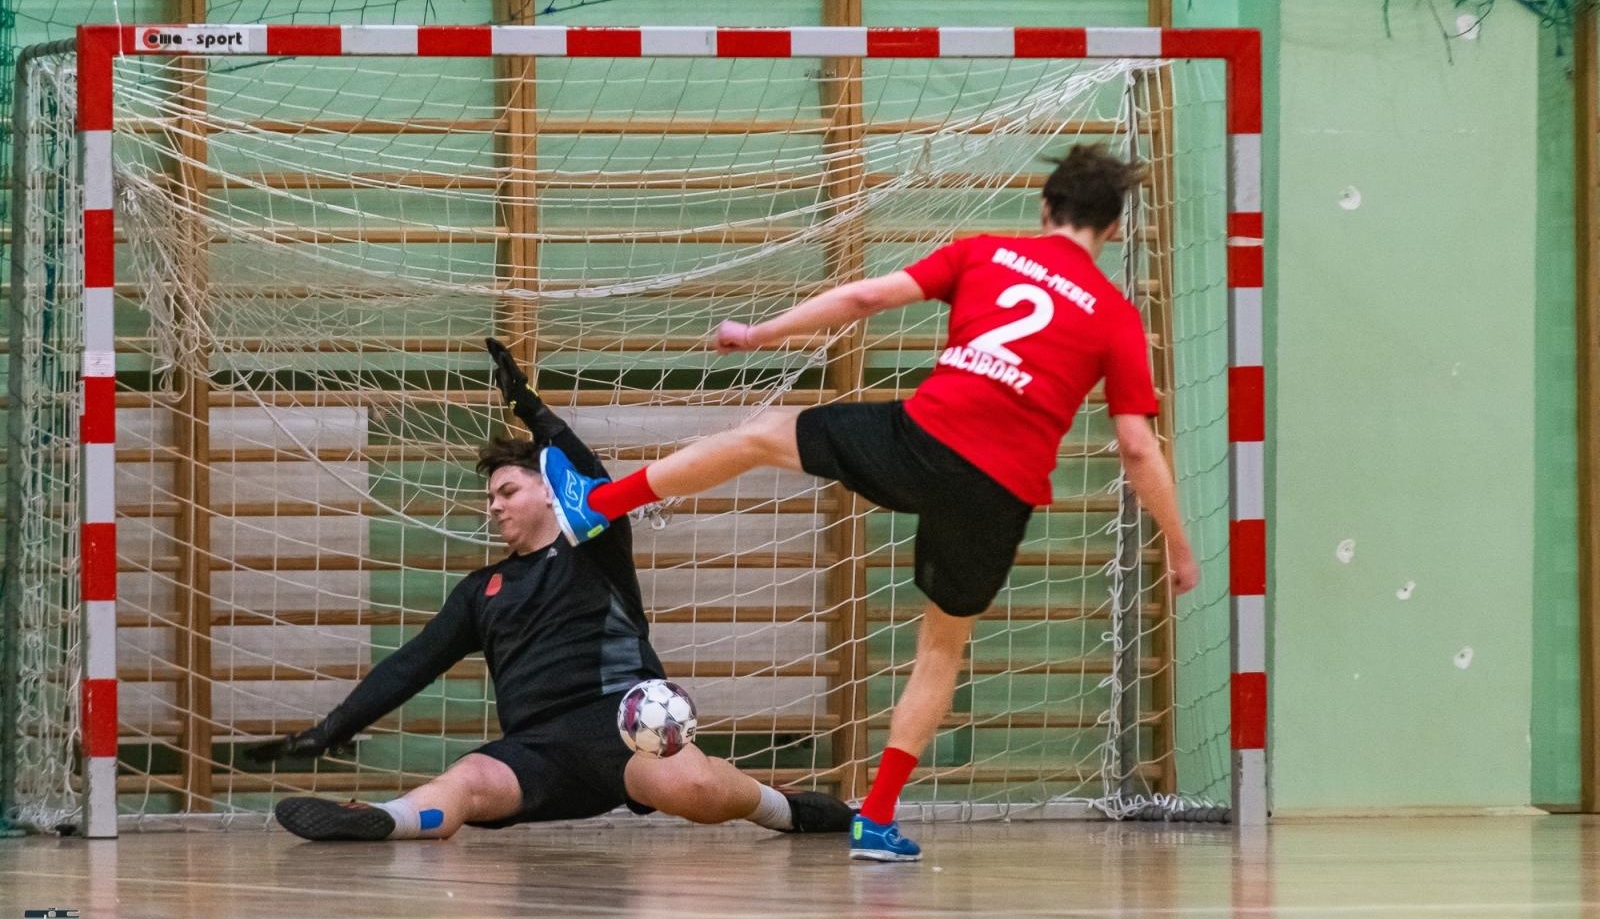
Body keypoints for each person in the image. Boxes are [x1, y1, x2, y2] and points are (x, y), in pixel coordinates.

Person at [539, 145, 1200, 862]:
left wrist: (759, 333)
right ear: (1112, 227)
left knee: (763, 435)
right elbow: (1137, 445)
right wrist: (1178, 542)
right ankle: (877, 818)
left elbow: (861, 299)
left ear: (1046, 207)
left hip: (923, 440)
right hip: (999, 490)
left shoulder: (985, 253)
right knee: (942, 647)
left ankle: (604, 500)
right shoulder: (1113, 315)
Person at [250, 339, 853, 841]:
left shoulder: (595, 542)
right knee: (464, 786)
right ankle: (381, 819)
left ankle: (785, 809)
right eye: (489, 498)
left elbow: (589, 477)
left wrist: (533, 411)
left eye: (507, 491)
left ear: (547, 491)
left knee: (694, 788)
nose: (494, 506)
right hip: (535, 753)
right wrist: (334, 728)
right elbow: (411, 664)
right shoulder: (479, 590)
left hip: (624, 733)